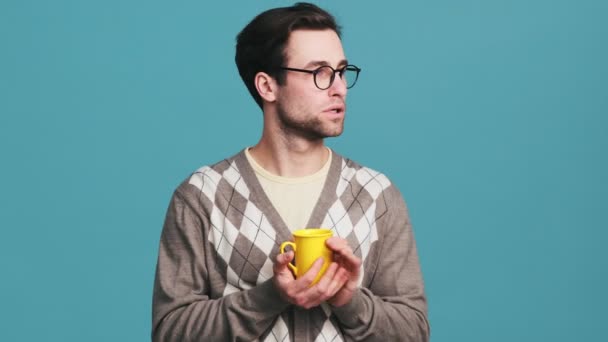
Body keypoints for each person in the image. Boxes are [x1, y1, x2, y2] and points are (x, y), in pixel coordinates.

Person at [152, 3, 430, 341]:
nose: (339, 87)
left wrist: (347, 298)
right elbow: (170, 332)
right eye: (319, 72)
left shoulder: (376, 195)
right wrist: (271, 295)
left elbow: (413, 332)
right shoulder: (203, 197)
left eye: (341, 71)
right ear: (268, 86)